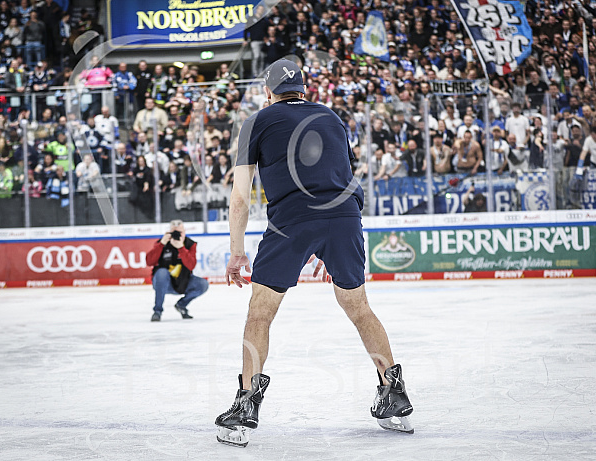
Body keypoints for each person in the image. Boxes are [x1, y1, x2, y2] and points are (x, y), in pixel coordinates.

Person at [215, 59, 414, 448]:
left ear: (268, 92)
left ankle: (245, 406)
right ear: (304, 90)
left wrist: (237, 253)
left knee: (260, 312)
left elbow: (240, 198)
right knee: (358, 307)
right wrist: (331, 238)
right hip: (344, 215)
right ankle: (394, 394)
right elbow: (343, 175)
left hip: (291, 219)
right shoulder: (332, 118)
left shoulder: (256, 122)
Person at [145, 219, 209, 321]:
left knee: (203, 284)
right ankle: (157, 311)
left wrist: (181, 248)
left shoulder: (190, 244)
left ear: (184, 232)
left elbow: (191, 265)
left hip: (183, 282)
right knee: (162, 272)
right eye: (173, 232)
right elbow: (149, 262)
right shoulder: (161, 243)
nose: (176, 235)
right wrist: (162, 243)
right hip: (163, 283)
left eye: (179, 233)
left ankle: (181, 305)